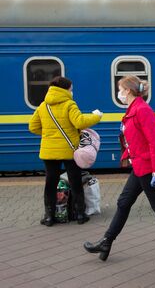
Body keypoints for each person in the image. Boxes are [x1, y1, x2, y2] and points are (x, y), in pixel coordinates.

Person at [84, 75, 155, 265]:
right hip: (139, 166)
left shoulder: (143, 110)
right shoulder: (133, 110)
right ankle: (106, 242)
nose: (119, 93)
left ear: (129, 91)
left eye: (120, 89)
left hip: (149, 169)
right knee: (124, 202)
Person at [29, 76, 102, 226]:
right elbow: (80, 121)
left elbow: (33, 127)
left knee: (50, 183)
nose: (72, 91)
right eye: (71, 88)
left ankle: (49, 217)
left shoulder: (43, 106)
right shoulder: (69, 104)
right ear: (66, 89)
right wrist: (96, 116)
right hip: (69, 151)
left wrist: (49, 135)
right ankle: (80, 215)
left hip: (49, 152)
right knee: (75, 182)